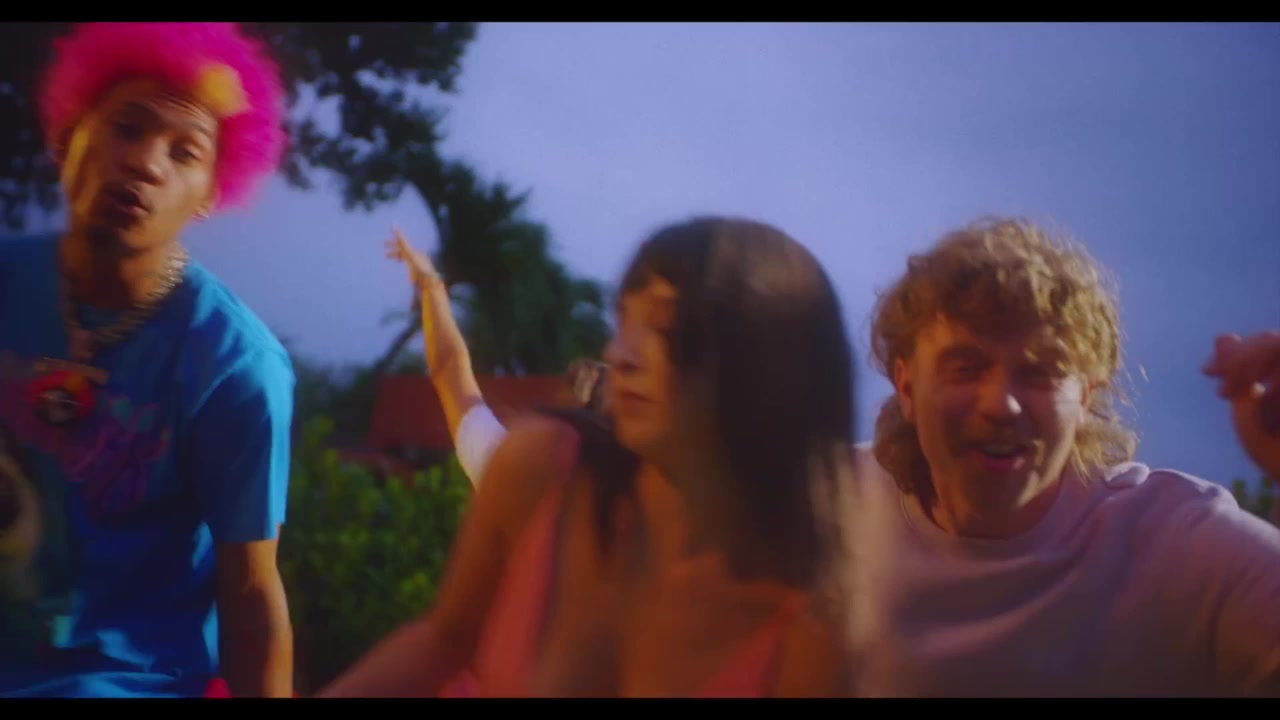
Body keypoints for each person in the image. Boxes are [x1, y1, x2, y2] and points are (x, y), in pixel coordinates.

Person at [321, 216, 856, 697]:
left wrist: (432, 285)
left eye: (665, 327)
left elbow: (453, 379)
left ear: (767, 366)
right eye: (622, 321)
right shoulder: (541, 470)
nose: (620, 355)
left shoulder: (807, 632)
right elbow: (443, 640)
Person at [842, 216, 1280, 697]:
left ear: (1086, 397)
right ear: (906, 386)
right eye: (966, 368)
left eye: (1040, 374)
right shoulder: (831, 508)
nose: (1001, 405)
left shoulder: (1174, 543)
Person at [0, 22, 295, 697]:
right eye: (126, 128)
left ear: (211, 192)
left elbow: (251, 591)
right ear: (67, 136)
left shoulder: (236, 368)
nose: (145, 163)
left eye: (185, 152)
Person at [385, 229, 607, 485]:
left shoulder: (509, 472)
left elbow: (448, 368)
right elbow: (449, 367)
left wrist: (430, 284)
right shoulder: (635, 500)